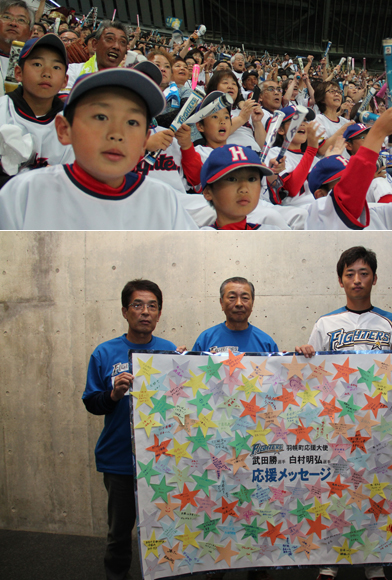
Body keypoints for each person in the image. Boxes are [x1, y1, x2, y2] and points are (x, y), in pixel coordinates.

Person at [296, 246, 392, 580]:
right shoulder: (326, 323)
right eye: (350, 274)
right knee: (335, 491)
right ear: (340, 280)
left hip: (380, 428)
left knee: (377, 490)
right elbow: (312, 374)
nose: (357, 280)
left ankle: (375, 561)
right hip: (338, 426)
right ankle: (329, 560)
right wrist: (304, 352)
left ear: (374, 278)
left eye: (363, 273)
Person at [0, 67, 197, 229]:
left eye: (132, 122)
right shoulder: (24, 193)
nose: (116, 133)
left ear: (145, 140)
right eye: (101, 117)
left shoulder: (163, 201)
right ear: (64, 129)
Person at [82, 279, 177, 580]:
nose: (145, 312)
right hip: (119, 459)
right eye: (137, 305)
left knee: (164, 529)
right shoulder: (104, 352)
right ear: (125, 311)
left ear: (159, 314)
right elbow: (91, 402)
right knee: (120, 533)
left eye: (152, 306)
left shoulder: (169, 350)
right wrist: (113, 394)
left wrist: (185, 368)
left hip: (160, 459)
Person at [0, 34, 72, 187]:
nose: (47, 73)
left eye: (56, 67)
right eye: (38, 64)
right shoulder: (2, 110)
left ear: (65, 80)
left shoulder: (71, 125)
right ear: (18, 72)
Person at [192, 276, 278, 352]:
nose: (239, 303)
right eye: (232, 297)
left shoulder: (266, 343)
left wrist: (287, 361)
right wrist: (180, 356)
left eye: (245, 298)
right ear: (221, 303)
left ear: (252, 303)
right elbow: (192, 368)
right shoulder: (205, 339)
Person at [64, 20, 128, 91]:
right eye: (110, 39)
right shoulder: (72, 72)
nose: (116, 46)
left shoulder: (129, 82)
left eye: (122, 42)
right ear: (95, 44)